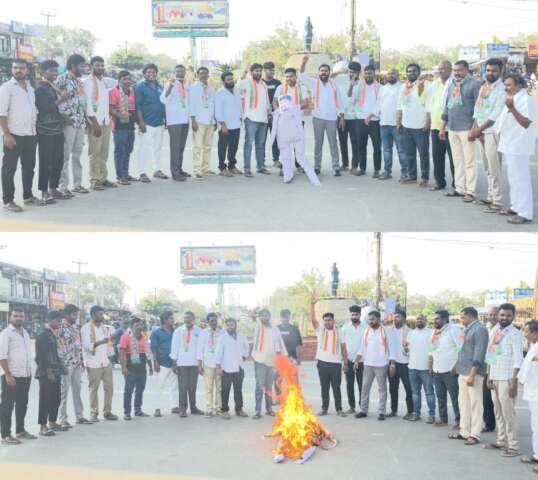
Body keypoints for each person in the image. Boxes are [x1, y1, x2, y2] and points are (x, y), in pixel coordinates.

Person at [495, 73, 536, 224]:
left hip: (519, 145)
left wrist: (512, 108)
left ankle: (525, 213)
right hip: (510, 144)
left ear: (519, 86)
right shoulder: (512, 98)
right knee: (513, 178)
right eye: (505, 85)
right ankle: (515, 206)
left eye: (509, 85)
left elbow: (526, 123)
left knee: (521, 179)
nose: (506, 87)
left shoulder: (526, 99)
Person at [484, 303, 523, 457]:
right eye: (502, 315)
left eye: (508, 315)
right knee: (498, 412)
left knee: (508, 414)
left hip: (507, 378)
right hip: (494, 376)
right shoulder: (494, 330)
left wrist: (513, 383)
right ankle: (501, 441)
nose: (504, 318)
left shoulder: (515, 334)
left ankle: (513, 446)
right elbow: (490, 354)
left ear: (513, 316)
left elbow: (518, 360)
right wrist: (489, 376)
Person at [440, 60, 482, 203]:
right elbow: (447, 106)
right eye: (455, 70)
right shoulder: (452, 84)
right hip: (452, 128)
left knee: (469, 161)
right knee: (457, 160)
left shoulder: (475, 84)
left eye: (460, 70)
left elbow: (479, 107)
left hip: (467, 128)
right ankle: (460, 188)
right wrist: (443, 127)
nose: (457, 73)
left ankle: (471, 191)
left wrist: (474, 128)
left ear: (467, 70)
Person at [0, 59, 38, 212]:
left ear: (27, 70)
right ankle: (8, 200)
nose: (18, 70)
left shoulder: (30, 88)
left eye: (21, 68)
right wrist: (6, 134)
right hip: (14, 134)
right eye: (15, 68)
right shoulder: (6, 88)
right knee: (9, 168)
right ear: (12, 70)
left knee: (29, 167)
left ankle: (28, 196)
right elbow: (2, 113)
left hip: (30, 134)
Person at [469, 58, 506, 211]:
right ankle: (490, 196)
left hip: (492, 132)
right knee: (486, 167)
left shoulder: (502, 89)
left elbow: (495, 115)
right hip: (481, 131)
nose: (490, 73)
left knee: (494, 167)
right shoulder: (484, 86)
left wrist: (479, 130)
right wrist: (474, 127)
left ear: (500, 72)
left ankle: (497, 201)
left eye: (494, 71)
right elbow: (477, 109)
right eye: (488, 70)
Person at [449, 307, 488, 445]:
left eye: (463, 317)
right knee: (463, 403)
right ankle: (464, 432)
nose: (461, 319)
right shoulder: (467, 329)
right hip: (463, 371)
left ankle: (475, 434)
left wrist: (472, 374)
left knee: (476, 404)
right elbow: (463, 350)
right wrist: (457, 365)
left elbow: (479, 353)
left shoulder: (480, 329)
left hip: (473, 373)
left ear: (471, 316)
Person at [299, 55, 345, 176]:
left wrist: (341, 117)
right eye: (322, 71)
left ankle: (336, 167)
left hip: (332, 118)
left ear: (329, 72)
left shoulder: (334, 85)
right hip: (318, 118)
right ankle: (317, 166)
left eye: (326, 71)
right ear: (319, 72)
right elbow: (302, 76)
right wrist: (303, 62)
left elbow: (340, 101)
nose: (324, 72)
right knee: (318, 143)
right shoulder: (314, 83)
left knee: (333, 143)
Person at [0, 308, 36, 445]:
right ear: (10, 317)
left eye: (21, 316)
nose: (19, 318)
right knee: (7, 405)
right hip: (11, 375)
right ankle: (5, 435)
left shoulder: (25, 333)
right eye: (16, 316)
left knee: (22, 404)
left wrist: (29, 373)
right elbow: (2, 356)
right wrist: (8, 375)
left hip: (25, 375)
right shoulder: (6, 334)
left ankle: (20, 431)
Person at [269, 93, 321, 185]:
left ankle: (292, 177)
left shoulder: (285, 111)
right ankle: (292, 177)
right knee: (293, 158)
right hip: (290, 138)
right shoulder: (289, 110)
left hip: (289, 138)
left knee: (292, 158)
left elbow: (274, 130)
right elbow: (275, 129)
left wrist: (270, 144)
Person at [35, 59, 67, 205]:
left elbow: (57, 109)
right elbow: (43, 110)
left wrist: (64, 117)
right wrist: (61, 100)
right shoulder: (41, 89)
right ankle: (44, 192)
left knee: (58, 160)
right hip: (45, 130)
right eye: (51, 71)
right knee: (45, 161)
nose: (55, 73)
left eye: (56, 71)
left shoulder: (52, 87)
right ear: (43, 72)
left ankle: (53, 188)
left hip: (57, 129)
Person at [56, 54, 89, 196]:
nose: (84, 68)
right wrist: (63, 116)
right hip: (68, 122)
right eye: (81, 66)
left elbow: (81, 101)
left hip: (80, 122)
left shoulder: (79, 82)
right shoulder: (62, 79)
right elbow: (56, 98)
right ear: (73, 66)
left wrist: (85, 119)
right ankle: (62, 186)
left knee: (77, 155)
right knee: (65, 155)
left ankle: (77, 184)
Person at [80, 305, 118, 422]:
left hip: (105, 361)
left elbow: (109, 343)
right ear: (93, 315)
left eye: (102, 314)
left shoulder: (105, 328)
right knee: (94, 389)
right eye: (100, 314)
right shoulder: (86, 328)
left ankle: (107, 412)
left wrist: (111, 356)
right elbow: (87, 345)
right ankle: (94, 413)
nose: (102, 316)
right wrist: (101, 342)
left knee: (109, 387)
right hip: (93, 362)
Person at [83, 56, 115, 191]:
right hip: (94, 122)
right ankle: (94, 179)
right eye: (97, 65)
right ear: (91, 67)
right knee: (94, 152)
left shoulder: (104, 82)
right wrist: (94, 123)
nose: (100, 68)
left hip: (106, 121)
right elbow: (87, 104)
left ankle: (102, 178)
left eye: (102, 65)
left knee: (104, 152)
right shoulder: (87, 82)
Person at [396, 63, 430, 186]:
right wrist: (398, 122)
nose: (411, 73)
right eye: (409, 71)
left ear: (419, 72)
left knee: (423, 154)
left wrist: (428, 121)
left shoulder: (425, 85)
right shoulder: (404, 87)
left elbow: (429, 104)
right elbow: (399, 105)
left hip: (421, 126)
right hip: (406, 125)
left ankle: (425, 178)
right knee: (409, 153)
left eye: (414, 71)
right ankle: (412, 176)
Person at [58, 304, 92, 427]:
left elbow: (78, 345)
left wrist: (81, 361)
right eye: (74, 315)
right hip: (65, 365)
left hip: (76, 364)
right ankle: (63, 419)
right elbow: (58, 347)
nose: (76, 317)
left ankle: (79, 416)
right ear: (66, 315)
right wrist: (61, 364)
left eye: (77, 315)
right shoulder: (60, 328)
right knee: (64, 393)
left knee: (77, 391)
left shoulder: (75, 327)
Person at [310, 305, 347, 417]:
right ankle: (324, 409)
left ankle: (339, 409)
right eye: (325, 320)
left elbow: (343, 348)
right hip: (322, 363)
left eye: (329, 320)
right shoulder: (320, 330)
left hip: (335, 364)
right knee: (324, 387)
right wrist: (312, 305)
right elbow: (313, 320)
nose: (327, 322)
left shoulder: (339, 331)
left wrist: (345, 363)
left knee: (336, 388)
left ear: (333, 321)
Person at [429, 310, 462, 428]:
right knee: (440, 397)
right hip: (437, 370)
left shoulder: (454, 330)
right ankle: (443, 419)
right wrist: (430, 365)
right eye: (434, 318)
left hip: (450, 370)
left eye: (437, 318)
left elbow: (462, 348)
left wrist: (457, 365)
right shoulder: (434, 332)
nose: (435, 321)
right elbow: (432, 350)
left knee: (455, 398)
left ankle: (460, 421)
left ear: (445, 319)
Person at [354, 310, 390, 421]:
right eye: (369, 319)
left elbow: (390, 347)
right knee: (365, 387)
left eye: (373, 319)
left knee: (382, 389)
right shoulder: (367, 331)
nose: (370, 321)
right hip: (368, 364)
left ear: (378, 319)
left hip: (381, 364)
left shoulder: (385, 331)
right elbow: (362, 347)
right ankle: (363, 410)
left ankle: (381, 412)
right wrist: (356, 360)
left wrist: (392, 363)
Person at [35, 310, 66, 436]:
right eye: (58, 321)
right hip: (46, 372)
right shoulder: (43, 335)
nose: (60, 323)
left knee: (56, 398)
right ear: (50, 320)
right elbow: (40, 356)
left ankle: (52, 422)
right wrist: (48, 372)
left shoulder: (53, 334)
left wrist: (62, 366)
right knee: (45, 399)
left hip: (56, 370)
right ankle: (43, 426)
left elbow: (55, 353)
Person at [274, 67, 310, 175]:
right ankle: (284, 167)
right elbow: (274, 102)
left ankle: (299, 165)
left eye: (291, 76)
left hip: (297, 120)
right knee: (284, 144)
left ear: (296, 77)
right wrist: (279, 111)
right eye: (286, 77)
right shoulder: (281, 87)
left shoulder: (302, 88)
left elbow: (305, 103)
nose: (288, 78)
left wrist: (291, 109)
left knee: (298, 145)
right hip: (284, 121)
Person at [135, 63, 167, 182]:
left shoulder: (160, 86)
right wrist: (141, 122)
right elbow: (138, 106)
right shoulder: (140, 87)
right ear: (144, 74)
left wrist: (165, 120)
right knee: (144, 148)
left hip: (159, 122)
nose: (151, 74)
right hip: (147, 123)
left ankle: (157, 170)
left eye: (153, 72)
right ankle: (142, 173)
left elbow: (164, 103)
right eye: (148, 72)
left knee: (157, 148)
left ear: (156, 73)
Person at [426, 61, 454, 191]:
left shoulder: (454, 84)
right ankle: (439, 182)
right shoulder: (434, 84)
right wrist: (428, 120)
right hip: (435, 126)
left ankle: (457, 185)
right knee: (437, 157)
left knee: (453, 157)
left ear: (450, 69)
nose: (441, 71)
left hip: (449, 126)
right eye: (439, 68)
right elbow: (428, 103)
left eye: (443, 68)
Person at [349, 64, 382, 177]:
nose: (368, 75)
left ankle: (377, 170)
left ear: (374, 74)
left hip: (374, 121)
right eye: (366, 73)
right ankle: (362, 168)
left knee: (377, 146)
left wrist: (370, 116)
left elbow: (379, 104)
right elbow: (351, 99)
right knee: (361, 145)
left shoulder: (380, 87)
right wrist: (351, 86)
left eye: (370, 73)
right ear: (364, 74)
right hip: (360, 120)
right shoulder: (358, 86)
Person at [251, 308, 283, 418]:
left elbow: (277, 344)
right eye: (262, 315)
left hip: (272, 361)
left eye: (266, 315)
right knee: (260, 385)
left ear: (269, 316)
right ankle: (257, 411)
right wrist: (252, 317)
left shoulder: (275, 329)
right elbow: (247, 324)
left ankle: (269, 409)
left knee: (269, 386)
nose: (264, 317)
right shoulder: (257, 327)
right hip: (259, 360)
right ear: (259, 317)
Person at [160, 64, 191, 181]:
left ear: (185, 73)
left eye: (182, 71)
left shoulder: (186, 85)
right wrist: (170, 87)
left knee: (181, 147)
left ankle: (179, 169)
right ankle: (175, 173)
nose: (180, 73)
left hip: (185, 120)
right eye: (177, 71)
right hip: (174, 121)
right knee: (175, 147)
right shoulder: (170, 84)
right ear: (174, 73)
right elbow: (163, 99)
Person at [170, 311, 203, 417]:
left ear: (193, 319)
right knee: (183, 387)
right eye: (185, 318)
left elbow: (201, 348)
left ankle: (193, 408)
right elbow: (174, 347)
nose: (186, 320)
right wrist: (174, 362)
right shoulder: (178, 331)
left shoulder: (199, 331)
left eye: (189, 318)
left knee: (193, 387)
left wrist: (200, 364)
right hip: (182, 363)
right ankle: (182, 409)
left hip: (194, 363)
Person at [240, 63, 271, 177]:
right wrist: (244, 72)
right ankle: (247, 168)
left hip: (263, 118)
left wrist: (269, 112)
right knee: (249, 143)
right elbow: (238, 86)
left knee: (261, 144)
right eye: (256, 71)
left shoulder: (263, 84)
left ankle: (261, 166)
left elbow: (266, 100)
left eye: (260, 71)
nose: (258, 73)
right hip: (251, 118)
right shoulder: (247, 82)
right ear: (251, 72)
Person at [216, 318, 249, 419]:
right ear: (226, 326)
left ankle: (239, 409)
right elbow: (218, 353)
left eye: (232, 325)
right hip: (227, 368)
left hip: (239, 368)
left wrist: (244, 356)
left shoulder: (241, 336)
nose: (230, 327)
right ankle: (224, 410)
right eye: (228, 325)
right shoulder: (222, 338)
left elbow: (247, 347)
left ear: (235, 325)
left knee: (238, 390)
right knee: (225, 390)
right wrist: (218, 367)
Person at [119, 318, 152, 420]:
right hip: (131, 365)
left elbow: (147, 352)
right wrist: (123, 367)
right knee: (129, 390)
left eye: (141, 324)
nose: (140, 326)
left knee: (140, 389)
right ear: (132, 325)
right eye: (138, 324)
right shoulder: (126, 336)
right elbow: (122, 353)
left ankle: (138, 410)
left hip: (142, 365)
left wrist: (150, 366)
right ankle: (127, 412)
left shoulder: (144, 336)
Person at [405, 314, 435, 423]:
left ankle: (432, 415)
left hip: (425, 368)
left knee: (429, 393)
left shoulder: (431, 333)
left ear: (425, 320)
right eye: (417, 319)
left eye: (421, 319)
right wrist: (405, 349)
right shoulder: (410, 333)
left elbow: (434, 350)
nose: (419, 320)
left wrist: (431, 366)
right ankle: (416, 413)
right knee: (415, 393)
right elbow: (406, 351)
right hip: (412, 367)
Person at [108, 70, 137, 185]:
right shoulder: (114, 91)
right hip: (119, 126)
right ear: (119, 80)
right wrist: (121, 116)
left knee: (128, 150)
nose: (127, 81)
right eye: (124, 79)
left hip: (130, 125)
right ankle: (120, 176)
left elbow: (134, 107)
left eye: (129, 79)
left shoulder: (132, 91)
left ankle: (126, 173)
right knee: (120, 151)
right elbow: (111, 109)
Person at [518, 320, 538, 473]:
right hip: (533, 392)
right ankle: (537, 455)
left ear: (535, 333)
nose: (524, 334)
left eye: (526, 331)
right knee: (535, 426)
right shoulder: (533, 346)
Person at [378, 68, 405, 181]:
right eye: (389, 74)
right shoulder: (382, 89)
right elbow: (379, 104)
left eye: (393, 73)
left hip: (397, 124)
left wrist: (400, 121)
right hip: (384, 123)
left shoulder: (402, 88)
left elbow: (403, 106)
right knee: (386, 150)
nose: (390, 75)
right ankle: (387, 171)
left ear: (398, 75)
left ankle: (405, 172)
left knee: (401, 150)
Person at [150, 310, 179, 417]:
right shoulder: (157, 333)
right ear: (165, 320)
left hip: (174, 363)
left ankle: (174, 406)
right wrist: (155, 361)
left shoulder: (176, 332)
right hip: (161, 363)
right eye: (171, 318)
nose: (173, 320)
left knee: (174, 386)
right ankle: (157, 408)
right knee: (159, 386)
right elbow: (153, 348)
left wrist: (176, 362)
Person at [190, 67, 216, 180]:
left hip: (210, 120)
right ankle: (197, 170)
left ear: (208, 75)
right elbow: (192, 104)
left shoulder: (211, 87)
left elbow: (213, 104)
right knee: (197, 146)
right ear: (197, 75)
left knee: (208, 146)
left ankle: (205, 168)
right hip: (199, 121)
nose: (204, 75)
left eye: (206, 73)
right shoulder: (194, 88)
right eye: (201, 73)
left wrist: (214, 120)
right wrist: (193, 120)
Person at [334, 62, 361, 174]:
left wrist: (352, 84)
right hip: (341, 116)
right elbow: (329, 79)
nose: (351, 74)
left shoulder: (361, 84)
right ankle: (345, 164)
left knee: (355, 142)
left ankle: (354, 165)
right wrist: (338, 71)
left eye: (354, 72)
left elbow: (351, 98)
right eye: (350, 71)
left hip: (354, 117)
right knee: (342, 141)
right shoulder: (341, 78)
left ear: (359, 72)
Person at [215, 71, 243, 176]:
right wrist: (223, 125)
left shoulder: (236, 90)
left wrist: (240, 117)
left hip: (236, 124)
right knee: (222, 147)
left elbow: (239, 105)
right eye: (228, 79)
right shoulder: (220, 92)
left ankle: (232, 166)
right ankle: (222, 168)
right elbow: (218, 110)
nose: (231, 81)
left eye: (232, 79)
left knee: (233, 147)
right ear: (223, 81)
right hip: (225, 125)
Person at [197, 313, 224, 417]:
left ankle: (218, 408)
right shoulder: (203, 333)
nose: (214, 322)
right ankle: (209, 409)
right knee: (208, 388)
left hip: (219, 365)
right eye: (212, 320)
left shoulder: (222, 333)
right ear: (208, 322)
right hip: (207, 364)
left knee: (219, 388)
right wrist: (199, 365)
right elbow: (200, 349)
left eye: (215, 320)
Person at [388, 310, 414, 419]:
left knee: (409, 389)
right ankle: (393, 411)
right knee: (393, 388)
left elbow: (412, 348)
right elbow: (390, 348)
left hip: (406, 364)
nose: (395, 318)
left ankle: (410, 411)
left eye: (398, 316)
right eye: (394, 316)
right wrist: (392, 364)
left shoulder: (410, 332)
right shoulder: (389, 331)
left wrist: (408, 350)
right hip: (392, 363)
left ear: (404, 318)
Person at [340, 305, 366, 414]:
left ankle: (362, 407)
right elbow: (343, 345)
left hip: (362, 361)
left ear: (360, 315)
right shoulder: (345, 327)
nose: (354, 316)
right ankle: (352, 406)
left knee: (362, 385)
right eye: (352, 314)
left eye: (356, 314)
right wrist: (345, 362)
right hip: (349, 361)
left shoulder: (366, 327)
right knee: (349, 384)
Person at [262, 61, 282, 167]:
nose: (273, 72)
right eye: (270, 70)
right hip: (262, 115)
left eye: (274, 70)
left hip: (275, 114)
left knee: (275, 138)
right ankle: (261, 160)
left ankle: (276, 160)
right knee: (262, 139)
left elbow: (281, 98)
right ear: (264, 70)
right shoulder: (260, 82)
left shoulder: (278, 83)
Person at [483, 306, 499, 433]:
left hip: (497, 368)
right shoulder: (486, 328)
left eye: (495, 314)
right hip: (485, 368)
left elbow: (495, 352)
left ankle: (504, 428)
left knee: (499, 401)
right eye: (491, 314)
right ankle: (489, 424)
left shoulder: (501, 330)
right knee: (486, 399)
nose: (493, 317)